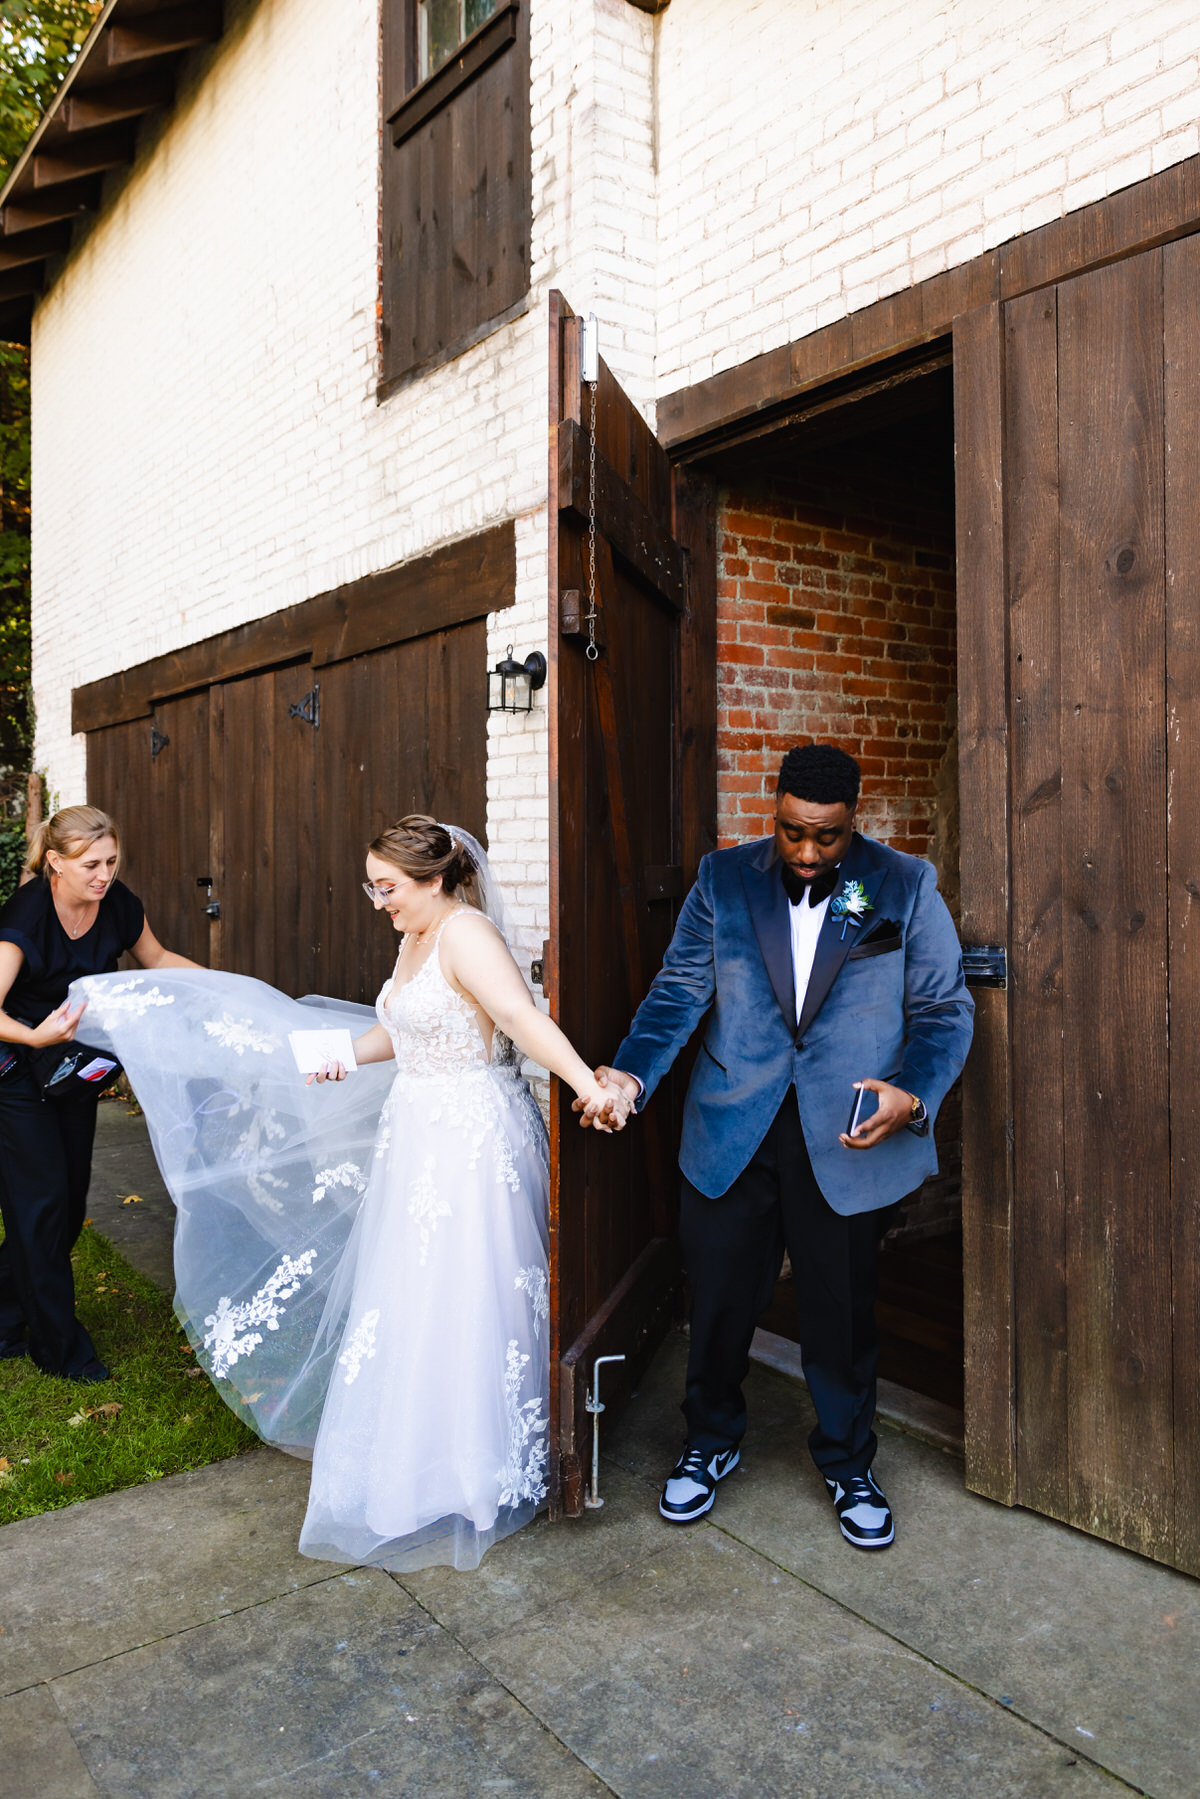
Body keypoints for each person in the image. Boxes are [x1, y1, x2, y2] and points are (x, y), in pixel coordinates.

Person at [74, 816, 629, 1571]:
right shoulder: (415, 937)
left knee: (464, 1294)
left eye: (388, 886)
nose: (379, 901)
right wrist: (324, 1056)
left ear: (433, 879)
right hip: (416, 1133)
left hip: (468, 1138)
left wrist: (587, 1083)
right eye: (375, 885)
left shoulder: (467, 934)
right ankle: (418, 1466)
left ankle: (474, 1472)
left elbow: (518, 1019)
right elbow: (401, 1034)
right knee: (411, 1297)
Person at [577, 744, 973, 1548]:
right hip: (732, 1127)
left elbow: (943, 1007)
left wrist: (914, 1092)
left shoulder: (903, 883)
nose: (806, 852)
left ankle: (848, 1458)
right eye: (792, 831)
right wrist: (630, 1077)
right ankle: (710, 1441)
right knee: (720, 1299)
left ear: (853, 818)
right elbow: (678, 994)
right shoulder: (722, 880)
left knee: (842, 1311)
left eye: (825, 838)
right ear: (776, 810)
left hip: (849, 1135)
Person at [0, 805, 199, 1380]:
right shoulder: (24, 918)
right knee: (39, 1209)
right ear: (55, 863)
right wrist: (34, 1036)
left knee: (65, 1213)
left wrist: (222, 987)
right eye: (91, 864)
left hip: (72, 1067)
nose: (104, 874)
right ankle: (61, 1349)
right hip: (14, 1064)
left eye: (111, 861)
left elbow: (157, 960)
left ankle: (4, 1316)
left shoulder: (116, 904)